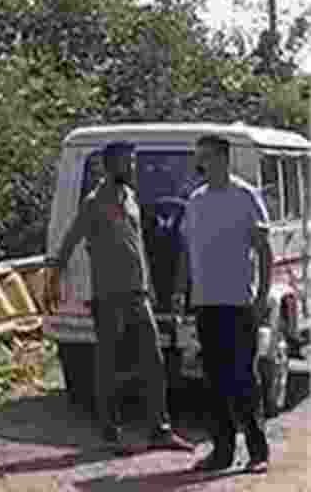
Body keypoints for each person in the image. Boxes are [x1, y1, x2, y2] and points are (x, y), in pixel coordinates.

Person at [44, 141, 194, 454]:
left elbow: (136, 247)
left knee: (153, 360)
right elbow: (70, 240)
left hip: (138, 294)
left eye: (133, 162)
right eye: (127, 163)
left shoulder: (131, 199)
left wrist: (150, 288)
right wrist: (53, 279)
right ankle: (110, 433)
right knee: (108, 366)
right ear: (110, 165)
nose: (133, 168)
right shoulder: (94, 202)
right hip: (108, 296)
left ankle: (160, 430)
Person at [178, 134, 273, 474]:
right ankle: (221, 452)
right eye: (198, 156)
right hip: (206, 304)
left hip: (238, 303)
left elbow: (264, 251)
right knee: (214, 381)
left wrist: (262, 296)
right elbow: (187, 252)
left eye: (205, 157)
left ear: (223, 159)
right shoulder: (196, 200)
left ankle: (258, 451)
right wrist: (182, 293)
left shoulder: (246, 196)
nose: (199, 163)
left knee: (243, 379)